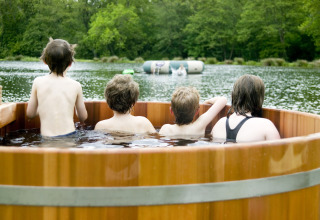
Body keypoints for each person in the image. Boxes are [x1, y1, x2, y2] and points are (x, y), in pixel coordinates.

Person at [26, 38, 88, 137]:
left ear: (45, 61)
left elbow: (30, 114)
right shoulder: (76, 85)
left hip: (47, 137)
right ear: (70, 63)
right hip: (70, 135)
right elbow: (83, 117)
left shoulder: (38, 82)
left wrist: (44, 107)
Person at [211, 74, 280, 142]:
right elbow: (280, 151)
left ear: (233, 95)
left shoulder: (219, 123)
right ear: (259, 98)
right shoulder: (266, 125)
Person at [159, 86, 227, 136]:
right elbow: (223, 100)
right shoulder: (199, 126)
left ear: (171, 111)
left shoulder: (166, 129)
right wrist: (208, 101)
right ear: (197, 111)